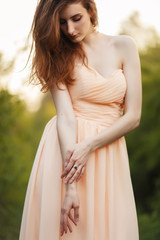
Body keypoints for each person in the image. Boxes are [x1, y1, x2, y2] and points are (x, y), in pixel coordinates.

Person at [19, 0, 142, 239]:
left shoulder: (125, 45)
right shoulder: (57, 54)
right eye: (62, 23)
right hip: (67, 151)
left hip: (106, 150)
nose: (70, 30)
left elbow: (134, 116)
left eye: (76, 19)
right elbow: (65, 117)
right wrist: (69, 185)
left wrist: (89, 145)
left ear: (90, 10)